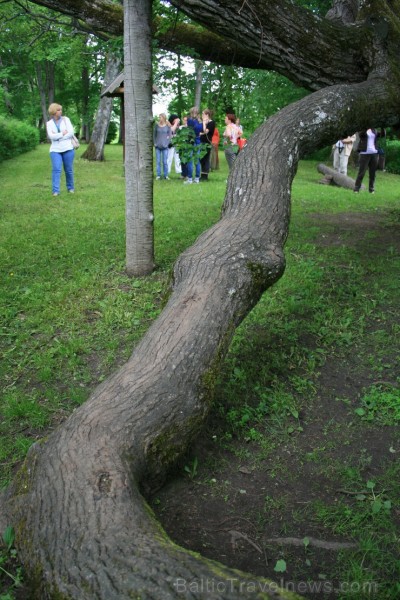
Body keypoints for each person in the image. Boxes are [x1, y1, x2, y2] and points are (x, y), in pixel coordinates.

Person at [46, 103, 76, 197]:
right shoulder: (49, 124)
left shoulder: (66, 120)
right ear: (54, 112)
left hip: (68, 148)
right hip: (55, 150)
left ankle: (70, 188)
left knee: (69, 170)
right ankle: (56, 191)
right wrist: (62, 133)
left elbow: (71, 133)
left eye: (61, 109)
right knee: (56, 170)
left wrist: (58, 136)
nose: (61, 111)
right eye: (58, 110)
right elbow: (51, 136)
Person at [354, 128, 384, 193]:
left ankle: (371, 189)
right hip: (364, 154)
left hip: (374, 153)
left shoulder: (374, 130)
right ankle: (356, 189)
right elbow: (361, 135)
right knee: (361, 172)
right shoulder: (363, 130)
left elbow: (382, 135)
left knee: (372, 173)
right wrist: (366, 127)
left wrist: (383, 127)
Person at [185, 106, 203, 184]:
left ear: (191, 112)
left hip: (191, 142)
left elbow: (192, 129)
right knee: (197, 160)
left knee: (190, 160)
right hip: (198, 141)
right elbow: (200, 130)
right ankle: (197, 178)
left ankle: (190, 179)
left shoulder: (190, 120)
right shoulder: (200, 122)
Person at [153, 113, 171, 180]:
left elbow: (170, 136)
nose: (159, 118)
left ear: (163, 118)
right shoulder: (156, 125)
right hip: (157, 146)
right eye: (159, 117)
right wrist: (155, 143)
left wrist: (167, 143)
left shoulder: (167, 126)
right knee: (158, 161)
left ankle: (166, 175)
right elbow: (154, 135)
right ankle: (158, 175)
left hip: (165, 147)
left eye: (160, 117)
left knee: (165, 162)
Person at [199, 108, 215, 180]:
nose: (202, 115)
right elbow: (200, 132)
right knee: (201, 158)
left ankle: (205, 176)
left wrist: (204, 123)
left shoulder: (211, 123)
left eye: (203, 114)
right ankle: (202, 174)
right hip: (201, 142)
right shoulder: (203, 122)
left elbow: (205, 131)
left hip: (207, 142)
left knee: (206, 158)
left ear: (207, 115)